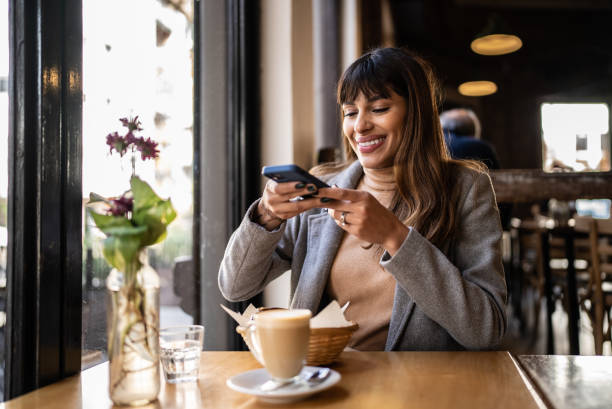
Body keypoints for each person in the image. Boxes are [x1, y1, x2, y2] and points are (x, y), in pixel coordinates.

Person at [219, 47, 507, 351]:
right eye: (350, 112)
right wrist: (266, 216)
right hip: (325, 383)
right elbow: (236, 287)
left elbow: (487, 329)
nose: (360, 126)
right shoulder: (323, 189)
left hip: (418, 389)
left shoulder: (466, 190)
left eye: (379, 108)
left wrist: (395, 237)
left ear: (416, 113)